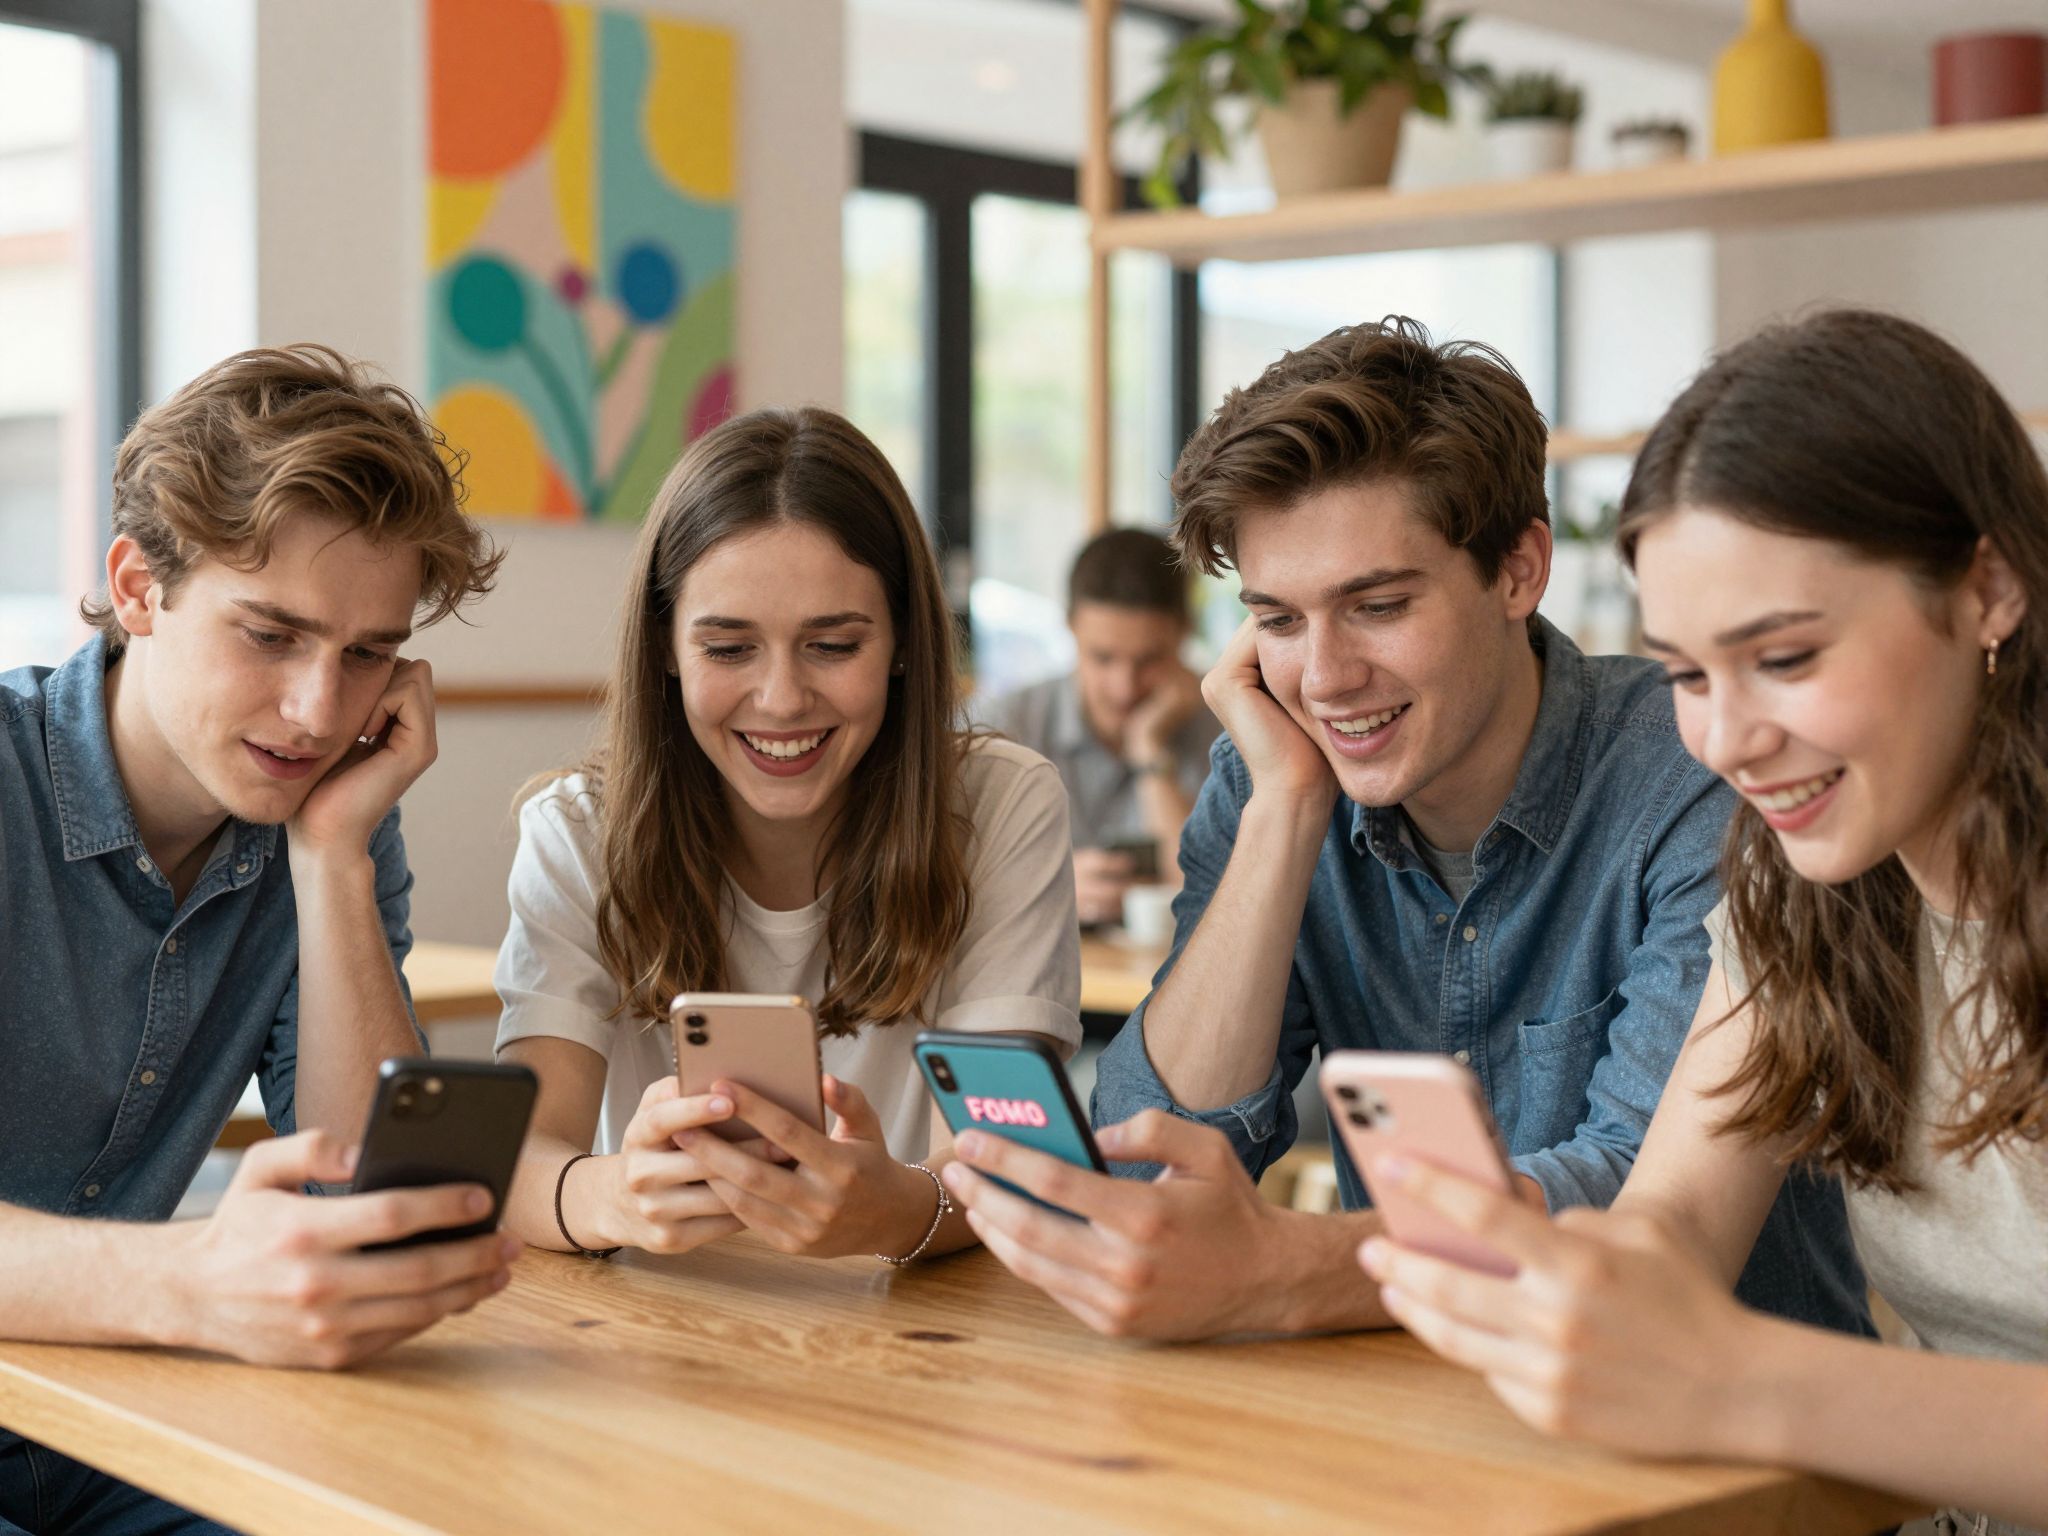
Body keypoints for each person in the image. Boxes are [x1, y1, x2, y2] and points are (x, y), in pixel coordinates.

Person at [941, 317, 1868, 1343]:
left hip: (1715, 1462)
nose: (1326, 677)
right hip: (1401, 1423)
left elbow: (1640, 1198)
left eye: (1375, 605)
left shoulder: (1698, 772)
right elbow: (1151, 1156)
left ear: (1518, 570)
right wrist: (1286, 811)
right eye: (1279, 622)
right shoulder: (1271, 775)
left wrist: (1286, 1266)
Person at [1358, 310, 2048, 1535]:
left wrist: (1742, 1381)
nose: (1723, 741)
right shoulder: (1806, 900)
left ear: (1986, 588)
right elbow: (1670, 1226)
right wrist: (1544, 1281)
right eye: (1683, 674)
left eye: (1781, 657)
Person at [0, 345, 510, 1535]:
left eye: (368, 653)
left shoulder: (330, 813)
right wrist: (190, 1282)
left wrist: (330, 857)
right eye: (271, 635)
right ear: (139, 589)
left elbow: (355, 1178)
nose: (319, 713)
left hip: (111, 1419)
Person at [494, 405, 1080, 1266]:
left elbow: (1014, 1164)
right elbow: (522, 1165)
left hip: (927, 1336)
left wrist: (904, 1208)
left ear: (903, 644)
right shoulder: (578, 831)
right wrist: (612, 1195)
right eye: (729, 649)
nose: (780, 699)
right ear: (666, 647)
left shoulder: (1001, 806)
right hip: (666, 1338)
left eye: (833, 645)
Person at [978, 527, 1219, 927]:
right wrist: (1038, 886)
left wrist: (1150, 752)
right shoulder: (1003, 726)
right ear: (1070, 627)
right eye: (1103, 658)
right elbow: (939, 878)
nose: (1124, 688)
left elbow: (1214, 895)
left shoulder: (1227, 727)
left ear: (1184, 633)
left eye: (1148, 660)